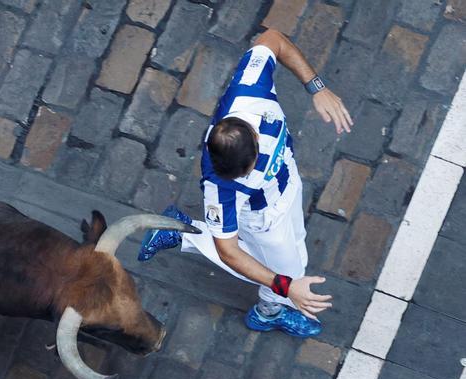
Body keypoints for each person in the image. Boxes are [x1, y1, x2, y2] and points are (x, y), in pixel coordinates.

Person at [138, 29, 353, 338]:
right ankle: (268, 312)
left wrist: (317, 87)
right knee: (286, 271)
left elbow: (272, 39)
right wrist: (285, 286)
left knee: (296, 249)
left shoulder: (250, 89)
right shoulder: (220, 189)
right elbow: (229, 252)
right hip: (264, 219)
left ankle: (176, 230)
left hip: (288, 186)